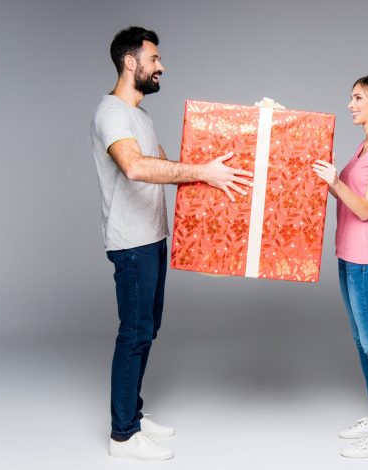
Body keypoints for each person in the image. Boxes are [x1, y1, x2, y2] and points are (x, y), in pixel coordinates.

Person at [90, 26, 253, 461]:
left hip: (153, 238)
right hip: (132, 243)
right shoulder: (111, 114)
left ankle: (134, 416)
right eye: (154, 59)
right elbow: (135, 168)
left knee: (148, 330)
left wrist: (240, 139)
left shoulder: (139, 116)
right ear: (131, 62)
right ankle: (122, 435)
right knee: (135, 333)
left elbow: (167, 165)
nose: (161, 66)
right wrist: (202, 171)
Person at [312, 73, 368, 458]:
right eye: (350, 98)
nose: (350, 104)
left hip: (366, 258)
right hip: (346, 253)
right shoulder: (365, 145)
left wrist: (334, 182)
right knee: (359, 341)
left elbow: (365, 208)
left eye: (357, 98)